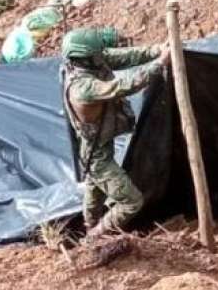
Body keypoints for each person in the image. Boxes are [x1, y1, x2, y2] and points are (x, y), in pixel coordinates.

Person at [60, 27, 170, 239]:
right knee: (132, 201)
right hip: (96, 155)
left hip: (96, 151)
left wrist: (156, 50)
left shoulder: (86, 64)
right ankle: (94, 239)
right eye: (97, 54)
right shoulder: (83, 87)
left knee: (95, 189)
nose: (102, 56)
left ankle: (89, 227)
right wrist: (159, 63)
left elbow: (123, 56)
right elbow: (123, 85)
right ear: (86, 58)